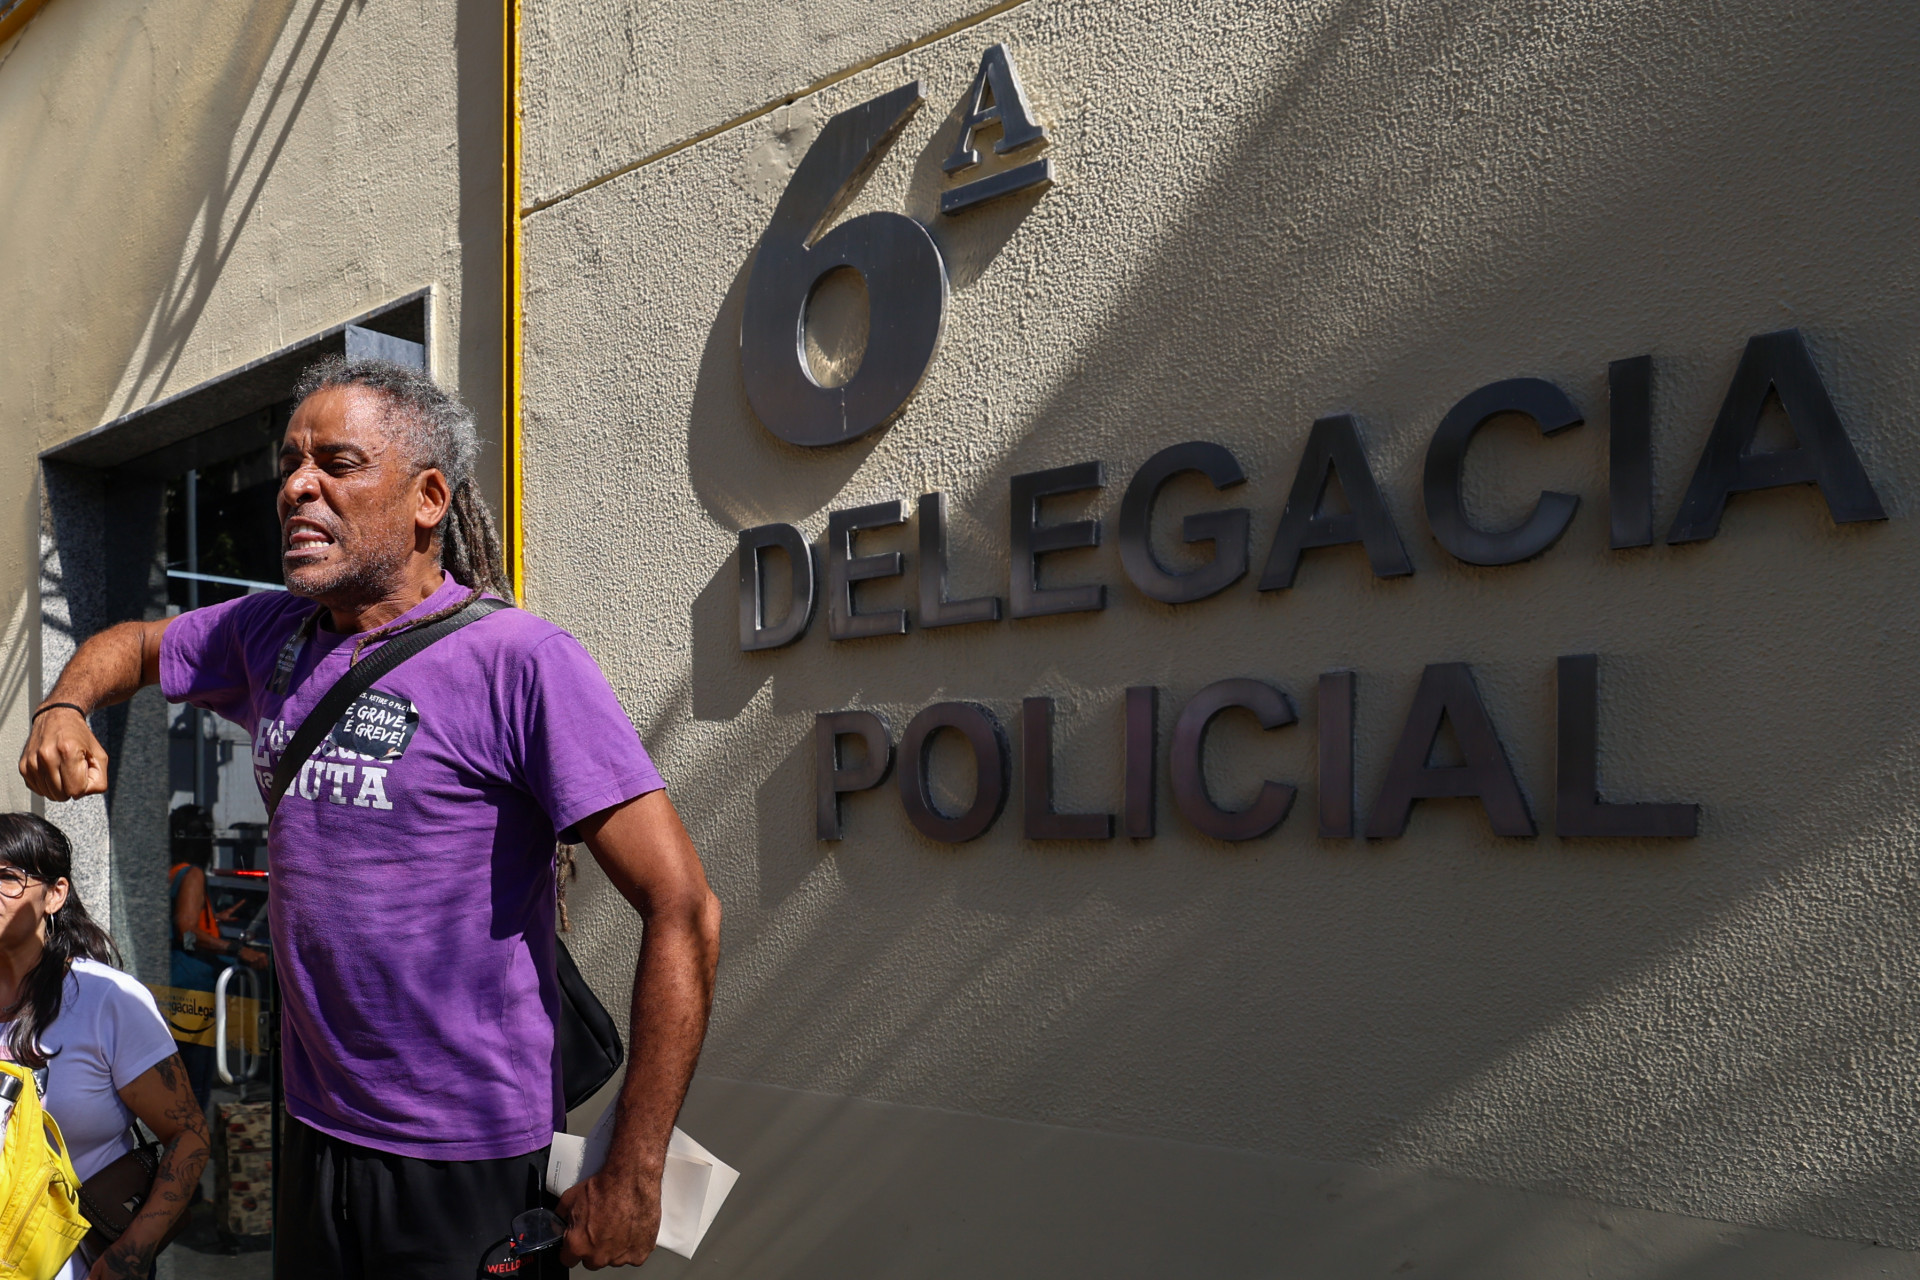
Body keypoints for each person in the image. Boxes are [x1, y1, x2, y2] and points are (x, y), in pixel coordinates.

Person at [19, 357, 722, 1278]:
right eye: (289, 466)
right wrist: (62, 708)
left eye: (337, 463)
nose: (297, 487)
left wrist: (637, 1163)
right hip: (312, 1130)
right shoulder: (271, 636)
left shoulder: (519, 661)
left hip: (464, 1156)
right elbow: (135, 644)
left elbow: (684, 907)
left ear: (429, 498)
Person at [0, 812, 210, 1280]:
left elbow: (190, 1135)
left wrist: (130, 1253)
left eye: (7, 878)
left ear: (55, 894)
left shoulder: (106, 999)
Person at [165, 803, 266, 1116]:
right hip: (195, 988)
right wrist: (236, 950)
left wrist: (213, 916)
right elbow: (186, 932)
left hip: (173, 985)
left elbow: (179, 920)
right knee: (196, 1083)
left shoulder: (171, 871)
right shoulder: (192, 874)